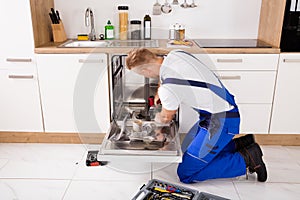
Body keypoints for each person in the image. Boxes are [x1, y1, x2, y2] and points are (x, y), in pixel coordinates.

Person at [125, 48, 267, 183]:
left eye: (143, 75)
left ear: (145, 70)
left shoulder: (169, 88)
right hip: (222, 111)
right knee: (190, 152)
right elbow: (162, 77)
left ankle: (248, 159)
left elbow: (165, 118)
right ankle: (242, 144)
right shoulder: (176, 54)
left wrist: (155, 130)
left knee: (186, 173)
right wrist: (158, 92)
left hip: (221, 123)